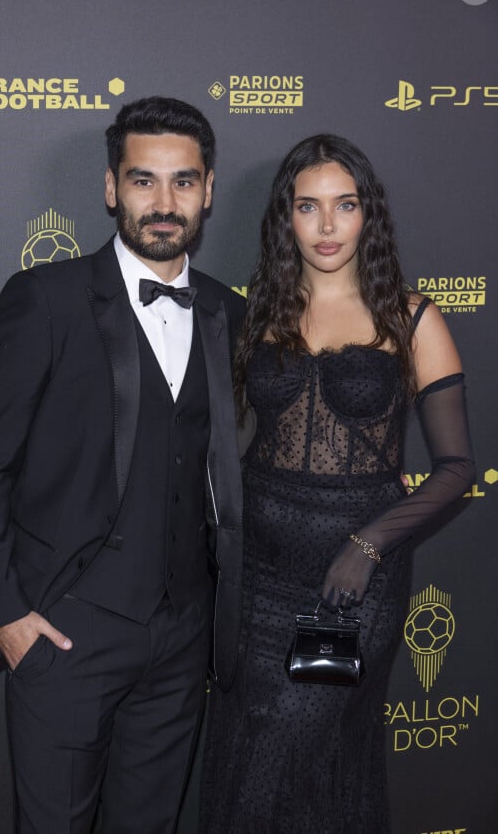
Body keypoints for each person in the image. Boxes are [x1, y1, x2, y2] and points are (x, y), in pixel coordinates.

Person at [0, 96, 245, 834]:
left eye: (183, 182)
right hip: (65, 633)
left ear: (208, 190)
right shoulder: (44, 300)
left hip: (182, 641)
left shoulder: (224, 312)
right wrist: (7, 618)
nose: (164, 202)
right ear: (111, 188)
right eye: (143, 180)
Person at [199, 134, 475, 834]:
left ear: (367, 215)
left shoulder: (413, 319)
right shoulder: (257, 313)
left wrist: (371, 542)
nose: (326, 227)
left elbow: (457, 469)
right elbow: (232, 446)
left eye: (344, 206)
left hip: (353, 582)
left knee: (305, 750)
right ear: (284, 218)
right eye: (308, 207)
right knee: (247, 749)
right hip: (258, 577)